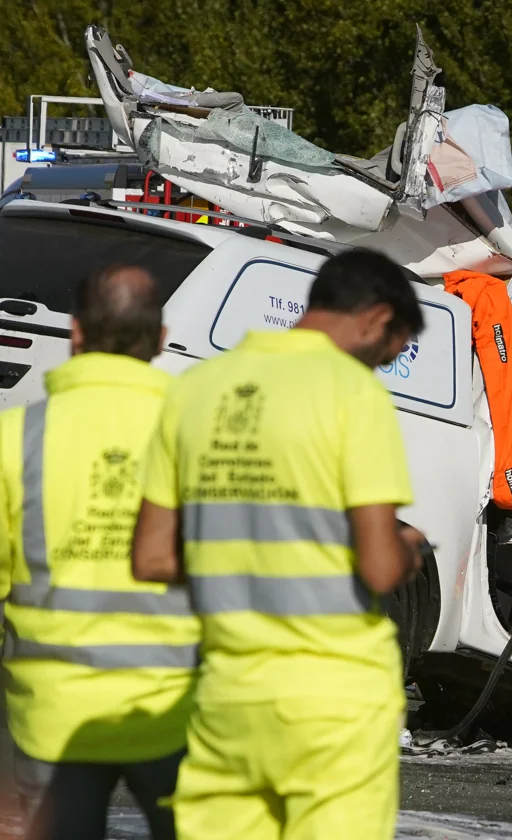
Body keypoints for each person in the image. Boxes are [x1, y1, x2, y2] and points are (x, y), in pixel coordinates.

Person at [131, 249, 429, 840]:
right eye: (387, 353)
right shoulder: (352, 393)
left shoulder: (196, 388)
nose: (379, 365)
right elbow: (376, 567)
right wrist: (408, 549)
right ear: (375, 318)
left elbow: (151, 558)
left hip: (224, 696)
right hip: (332, 700)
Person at [0, 265, 199, 840]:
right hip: (177, 710)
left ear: (77, 333)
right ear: (160, 339)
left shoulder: (16, 439)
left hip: (53, 717)